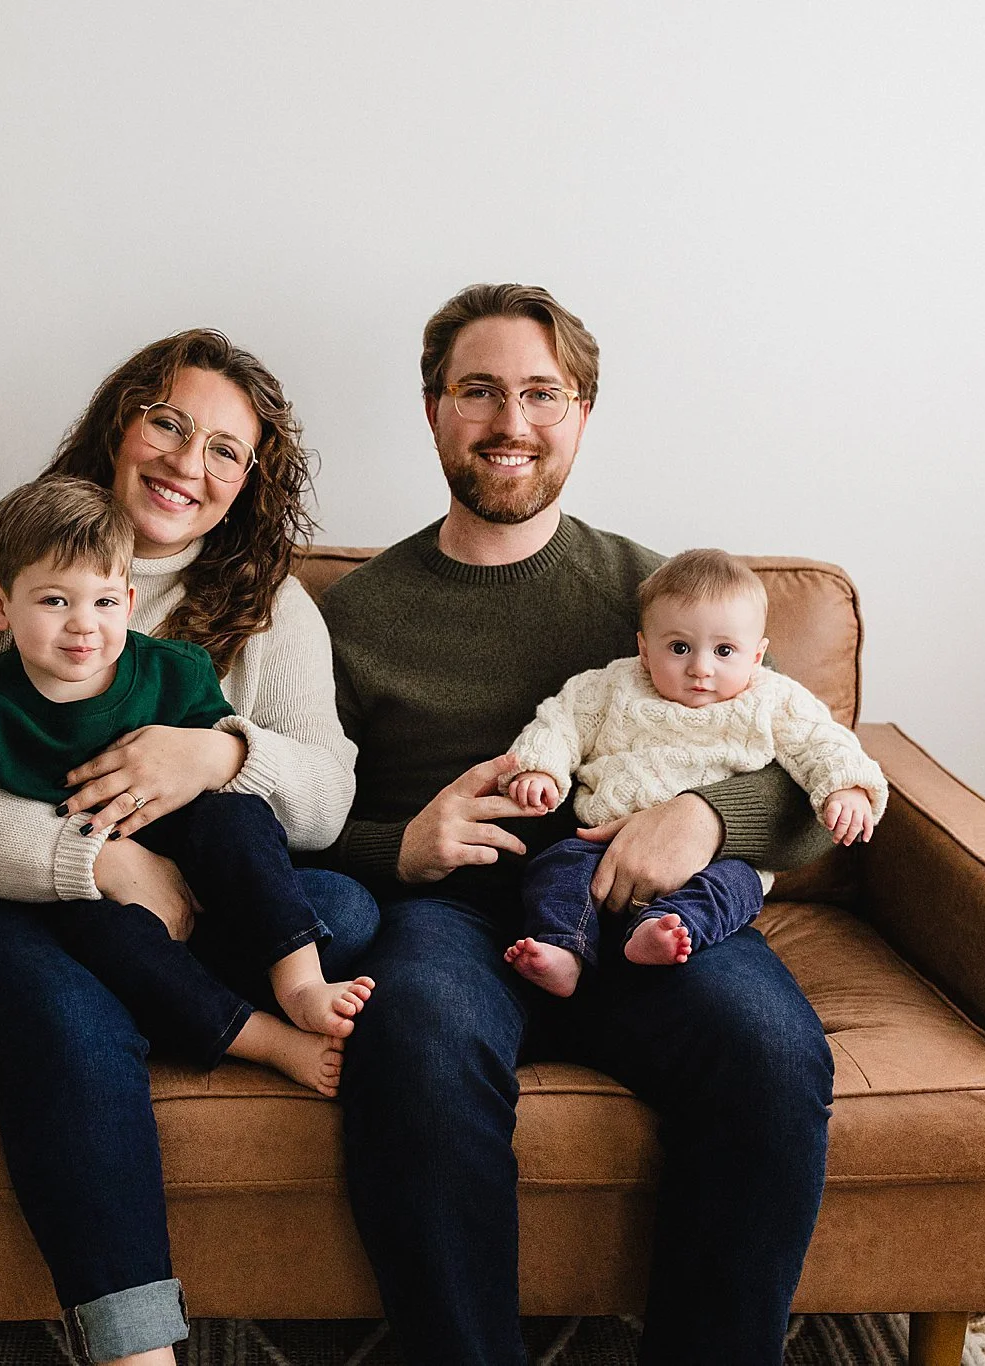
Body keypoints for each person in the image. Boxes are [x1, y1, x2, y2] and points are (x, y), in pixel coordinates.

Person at [0, 329, 376, 1366]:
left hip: (149, 921)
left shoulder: (268, 607)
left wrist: (215, 756)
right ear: (116, 425)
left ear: (248, 480)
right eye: (167, 422)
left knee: (341, 912)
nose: (185, 462)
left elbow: (327, 797)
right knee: (70, 1022)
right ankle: (137, 1354)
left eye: (223, 448)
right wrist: (103, 862)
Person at [321, 283, 837, 1365]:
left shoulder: (656, 596)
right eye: (478, 391)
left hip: (644, 902)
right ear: (431, 410)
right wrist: (396, 845)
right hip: (450, 919)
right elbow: (291, 809)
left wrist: (703, 814)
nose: (510, 423)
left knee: (769, 1049)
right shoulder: (355, 615)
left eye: (540, 394)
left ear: (581, 414)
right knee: (410, 1051)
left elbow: (807, 770)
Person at [0, 475, 371, 1089]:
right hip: (59, 902)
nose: (84, 626)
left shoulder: (175, 673)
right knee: (119, 957)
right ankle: (267, 1042)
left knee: (240, 816)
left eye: (104, 602)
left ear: (130, 603)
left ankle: (299, 982)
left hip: (172, 870)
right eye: (55, 601)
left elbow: (226, 808)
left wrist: (221, 754)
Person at [499, 547, 887, 996]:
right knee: (556, 867)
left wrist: (847, 787)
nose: (701, 668)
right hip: (601, 850)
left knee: (738, 887)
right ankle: (563, 949)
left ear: (757, 656)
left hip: (714, 862)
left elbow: (821, 740)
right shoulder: (609, 687)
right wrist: (540, 770)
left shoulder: (773, 699)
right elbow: (560, 722)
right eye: (679, 648)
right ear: (645, 649)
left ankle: (666, 931)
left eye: (725, 651)